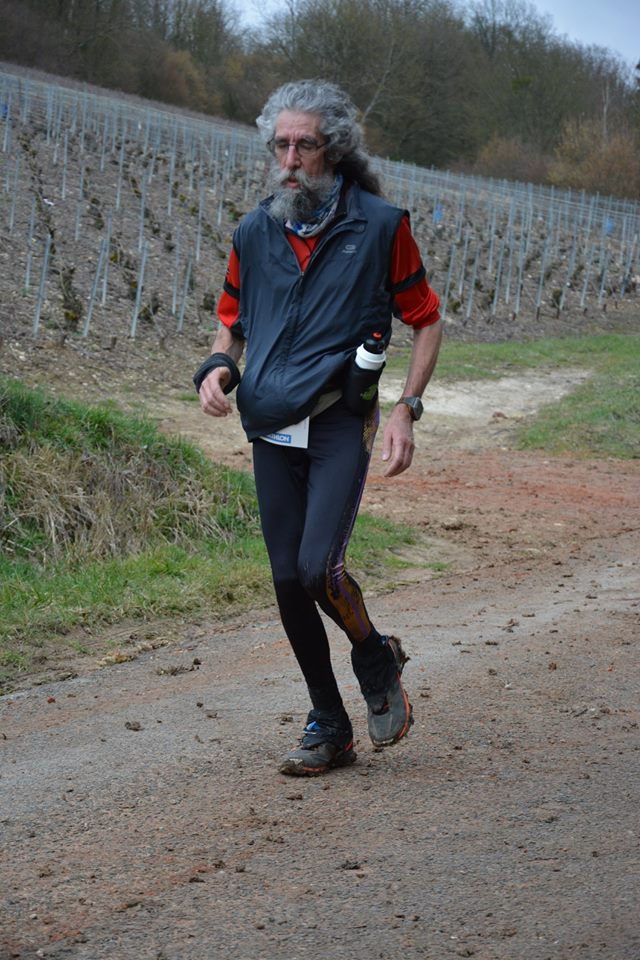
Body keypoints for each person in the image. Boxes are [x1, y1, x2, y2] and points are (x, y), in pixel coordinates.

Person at [195, 79, 442, 776]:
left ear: (332, 147)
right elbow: (231, 317)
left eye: (304, 144)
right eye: (281, 145)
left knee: (316, 568)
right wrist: (218, 365)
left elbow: (425, 320)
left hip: (339, 420)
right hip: (270, 424)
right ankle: (328, 723)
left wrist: (406, 408)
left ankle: (371, 653)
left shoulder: (381, 226)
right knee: (284, 579)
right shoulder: (254, 230)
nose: (291, 158)